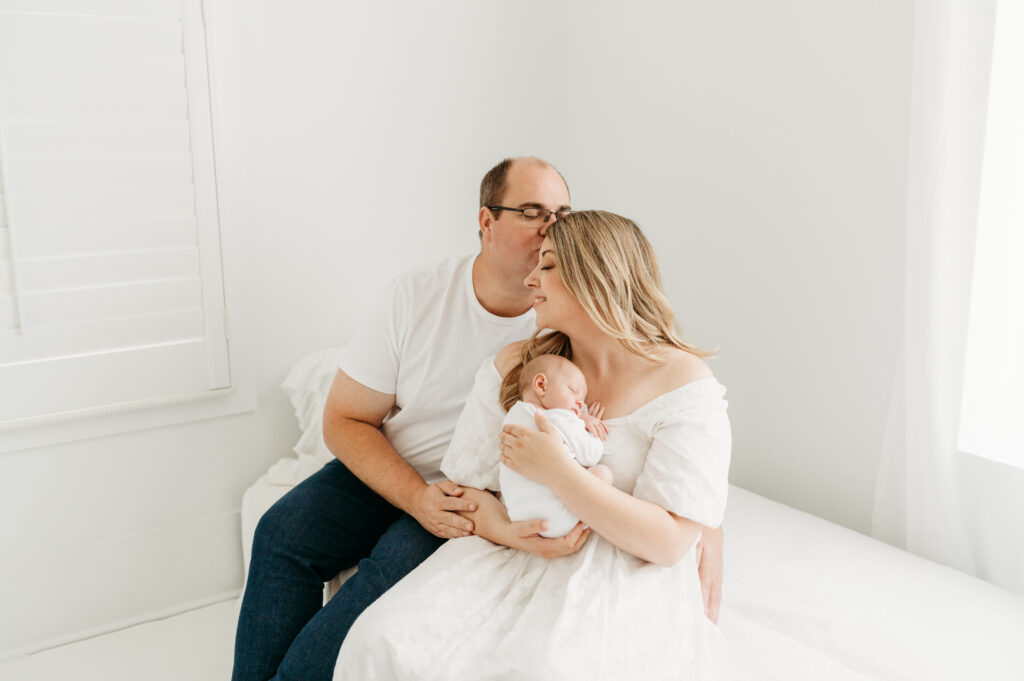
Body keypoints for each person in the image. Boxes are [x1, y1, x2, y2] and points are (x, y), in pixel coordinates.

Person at [232, 158, 724, 681]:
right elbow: (345, 418)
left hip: (474, 487)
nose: (549, 228)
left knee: (385, 580)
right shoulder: (424, 300)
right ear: (486, 223)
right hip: (408, 466)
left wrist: (706, 519)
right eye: (532, 212)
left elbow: (666, 429)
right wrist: (418, 499)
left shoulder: (566, 340)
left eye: (561, 214)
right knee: (280, 531)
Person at [499, 353, 612, 538]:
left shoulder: (514, 416)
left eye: (582, 400)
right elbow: (590, 455)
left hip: (520, 516)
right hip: (556, 519)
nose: (580, 403)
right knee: (602, 473)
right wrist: (590, 427)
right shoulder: (557, 417)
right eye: (573, 390)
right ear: (541, 385)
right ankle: (585, 521)